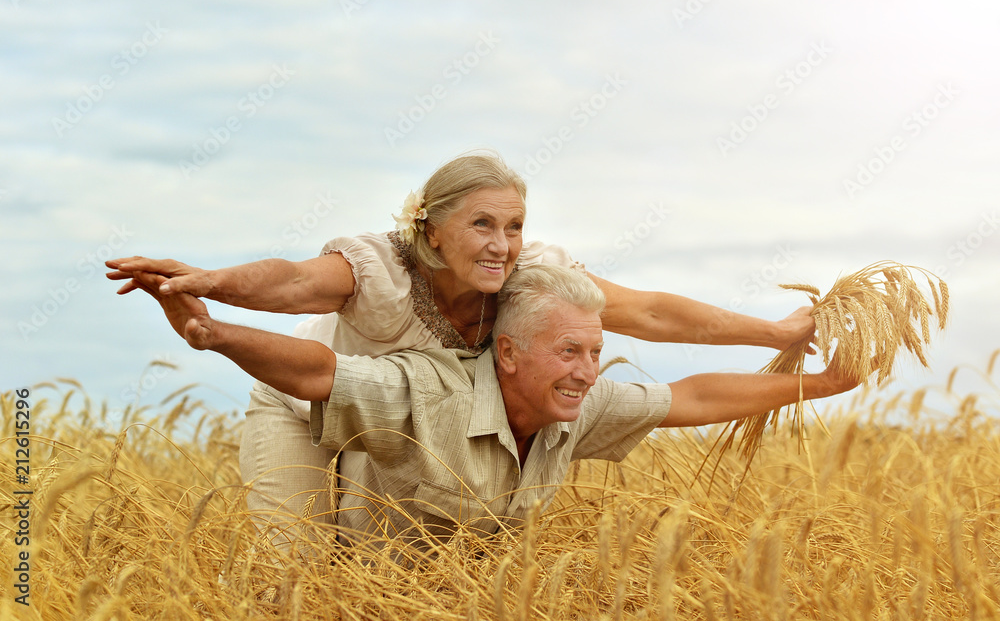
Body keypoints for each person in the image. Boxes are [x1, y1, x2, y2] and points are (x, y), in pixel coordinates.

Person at [106, 151, 815, 540]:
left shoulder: (529, 275)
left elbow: (649, 313)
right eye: (482, 224)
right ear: (432, 229)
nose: (502, 244)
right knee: (295, 569)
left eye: (513, 224)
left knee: (394, 559)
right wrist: (211, 285)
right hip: (302, 403)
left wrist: (776, 332)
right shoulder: (379, 268)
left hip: (400, 421)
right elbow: (291, 282)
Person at [125, 264, 860, 548]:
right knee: (307, 569)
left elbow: (686, 387)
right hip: (321, 396)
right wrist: (209, 325)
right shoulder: (410, 330)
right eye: (568, 353)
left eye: (593, 353)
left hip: (398, 414)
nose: (587, 370)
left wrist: (807, 367)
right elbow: (314, 360)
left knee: (435, 557)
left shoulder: (548, 305)